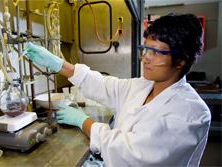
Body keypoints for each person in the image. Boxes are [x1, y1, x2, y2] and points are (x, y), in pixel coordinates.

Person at [24, 13, 211, 166]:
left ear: (181, 60)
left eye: (156, 52)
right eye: (145, 49)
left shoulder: (190, 113)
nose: (145, 58)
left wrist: (84, 122)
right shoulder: (143, 86)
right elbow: (104, 86)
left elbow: (130, 154)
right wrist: (57, 64)